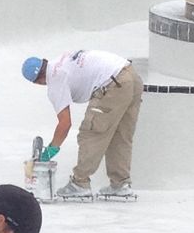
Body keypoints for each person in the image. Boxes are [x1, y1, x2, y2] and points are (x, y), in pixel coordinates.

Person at [22, 47, 144, 200]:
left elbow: (65, 124)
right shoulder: (61, 60)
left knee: (91, 133)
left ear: (37, 82)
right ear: (44, 61)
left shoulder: (55, 79)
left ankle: (80, 183)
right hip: (131, 75)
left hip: (113, 83)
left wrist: (50, 151)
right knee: (119, 135)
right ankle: (120, 184)